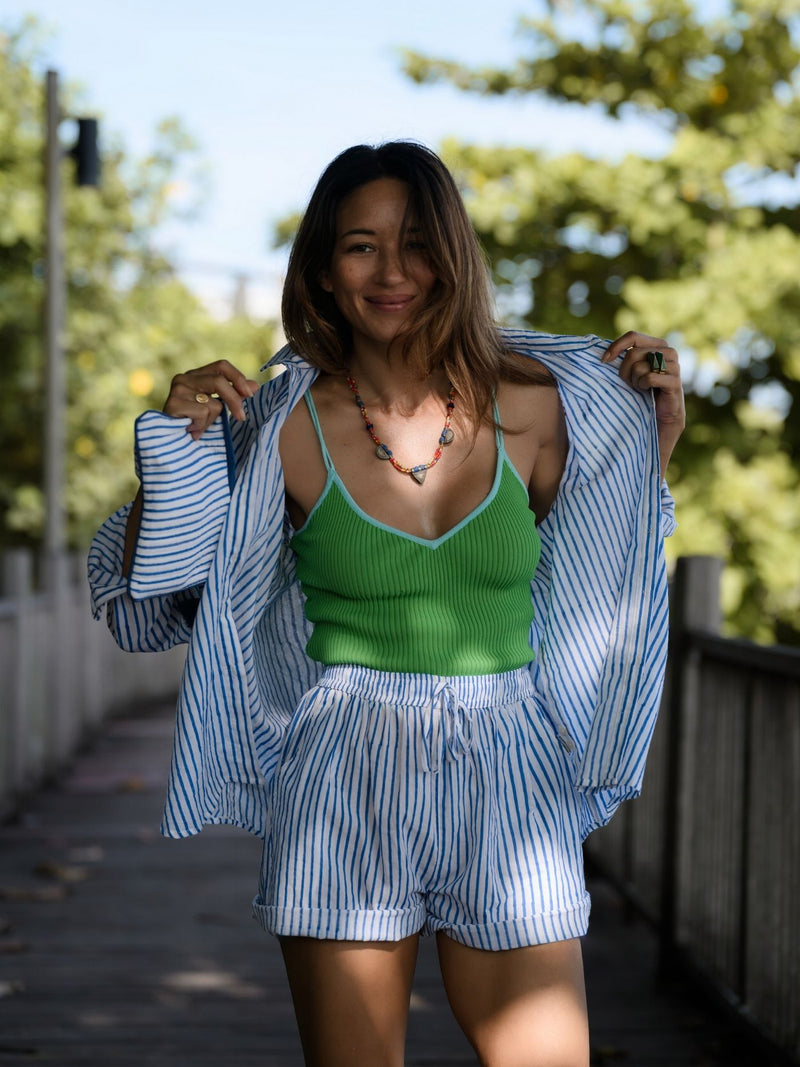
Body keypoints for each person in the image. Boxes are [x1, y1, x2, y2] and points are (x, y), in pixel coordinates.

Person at [89, 141, 684, 1067]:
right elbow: (146, 605)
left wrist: (655, 439)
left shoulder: (538, 408)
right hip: (345, 769)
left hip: (510, 768)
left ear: (453, 252)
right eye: (360, 246)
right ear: (324, 272)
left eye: (415, 241)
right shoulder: (281, 424)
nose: (394, 271)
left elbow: (610, 563)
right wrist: (171, 454)